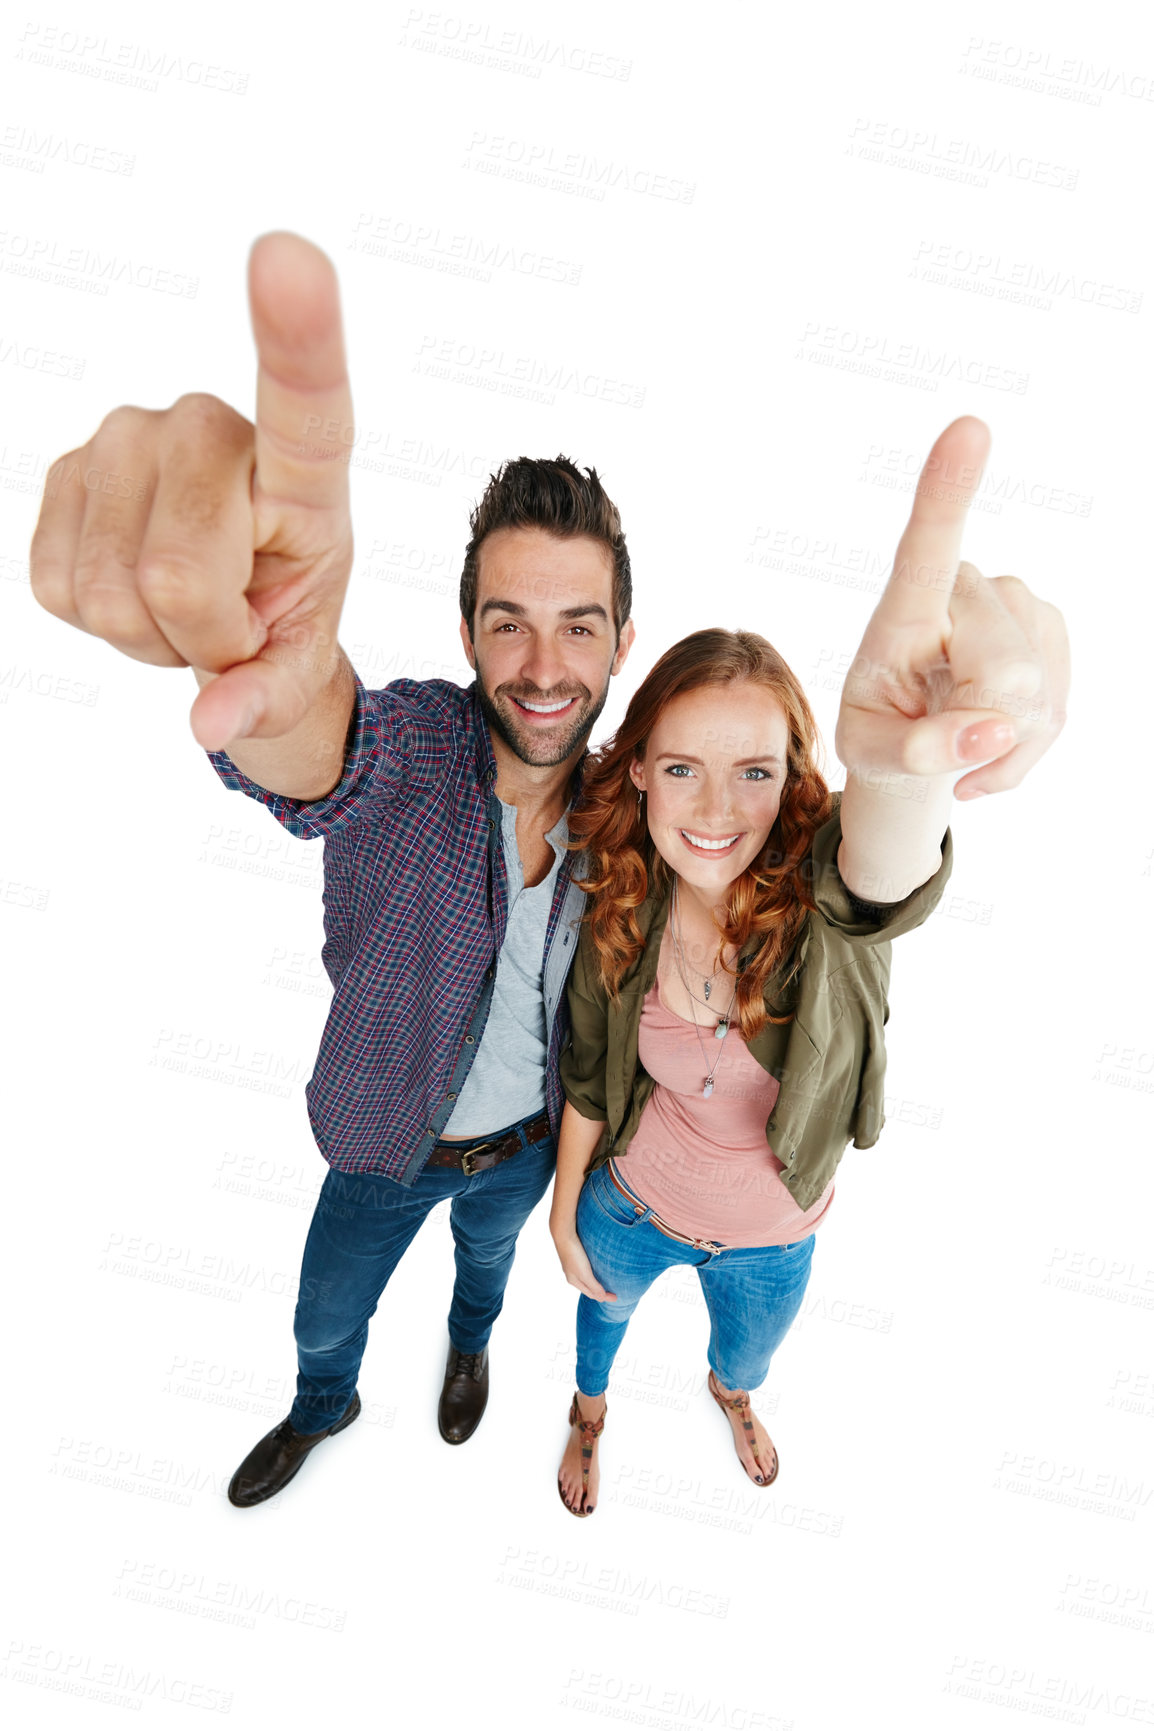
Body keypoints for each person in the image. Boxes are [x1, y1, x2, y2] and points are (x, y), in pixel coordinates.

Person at [28, 230, 1068, 1512]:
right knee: (322, 1309)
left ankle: (465, 1356)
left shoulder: (633, 810)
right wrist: (272, 678)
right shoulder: (406, 747)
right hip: (376, 1144)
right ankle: (321, 1404)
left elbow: (837, 885)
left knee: (484, 1278)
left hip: (528, 1152)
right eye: (506, 622)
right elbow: (318, 754)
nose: (539, 665)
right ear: (465, 630)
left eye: (577, 626)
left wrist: (904, 785)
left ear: (619, 640)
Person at [549, 595, 1067, 1515]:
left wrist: (909, 775)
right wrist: (562, 1213)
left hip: (775, 1235)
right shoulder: (621, 913)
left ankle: (731, 1397)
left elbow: (884, 875)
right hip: (629, 1203)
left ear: (793, 778)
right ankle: (589, 1412)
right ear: (637, 773)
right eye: (681, 767)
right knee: (601, 1322)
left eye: (753, 770)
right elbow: (590, 1075)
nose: (715, 809)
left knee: (748, 1355)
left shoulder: (827, 903)